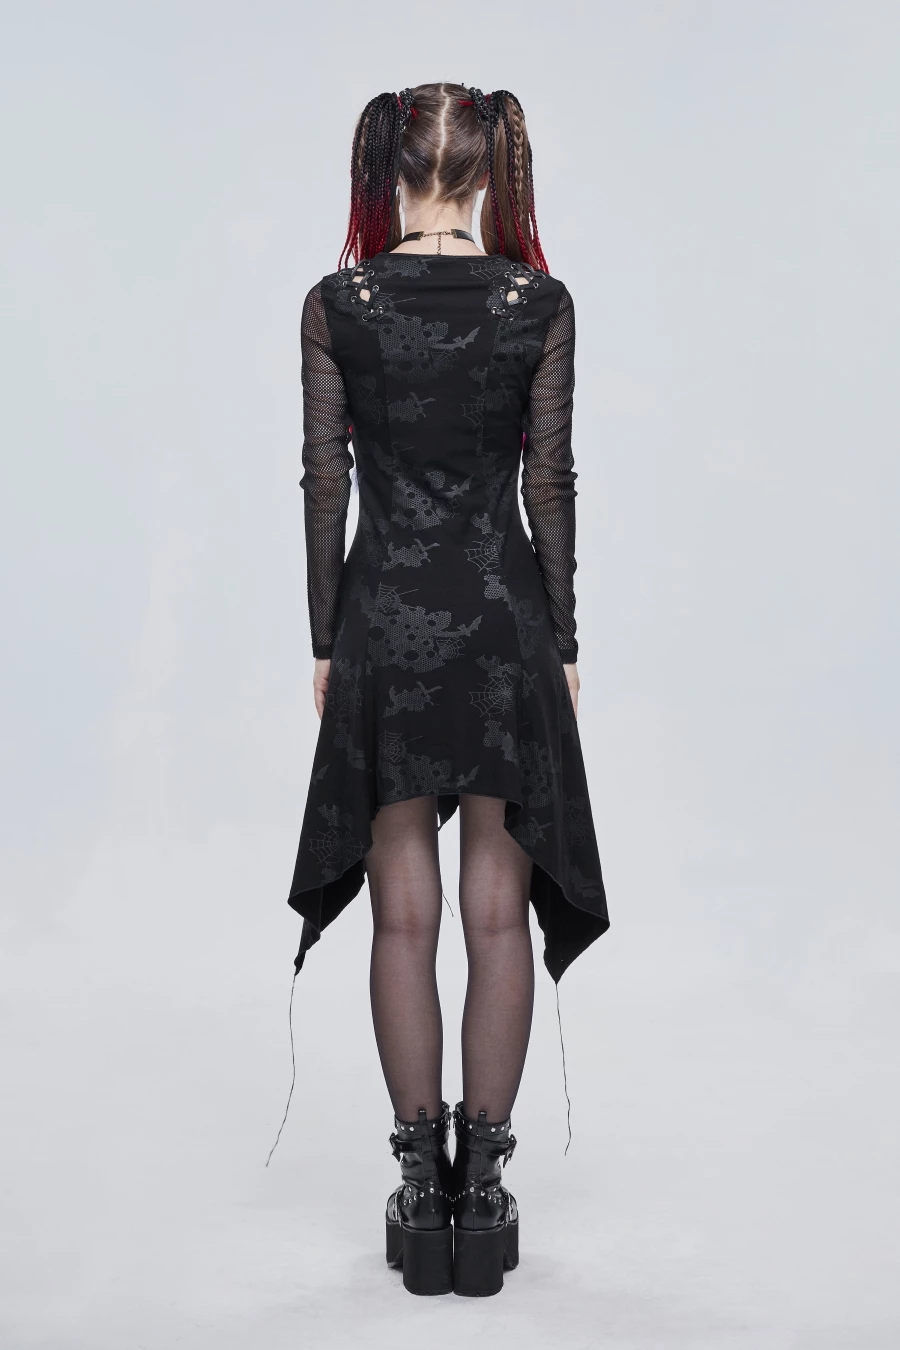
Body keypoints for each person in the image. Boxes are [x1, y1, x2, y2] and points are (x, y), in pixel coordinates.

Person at [285, 82, 609, 1297]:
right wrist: (561, 639)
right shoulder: (538, 302)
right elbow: (550, 481)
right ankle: (486, 1199)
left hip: (383, 622)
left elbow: (325, 482)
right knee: (497, 915)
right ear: (483, 174)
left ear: (391, 171)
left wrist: (326, 638)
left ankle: (421, 1192)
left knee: (402, 919)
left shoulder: (339, 304)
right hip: (503, 620)